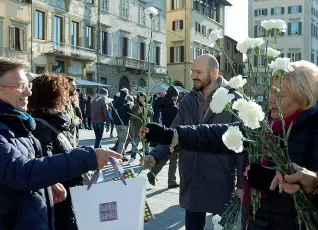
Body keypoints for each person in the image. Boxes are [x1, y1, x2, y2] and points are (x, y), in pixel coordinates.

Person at [141, 60, 318, 229]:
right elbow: (216, 135)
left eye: (279, 95)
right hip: (257, 222)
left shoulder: (313, 129)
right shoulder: (263, 127)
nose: (271, 99)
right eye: (271, 91)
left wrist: (310, 183)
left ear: (302, 99)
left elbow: (305, 187)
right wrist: (169, 135)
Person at [0, 57, 122, 229]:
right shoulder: (17, 125)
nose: (28, 92)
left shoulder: (18, 123)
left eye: (29, 85)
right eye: (20, 85)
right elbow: (22, 172)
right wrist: (87, 158)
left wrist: (46, 185)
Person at [144, 54, 245, 229]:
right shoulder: (188, 100)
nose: (193, 76)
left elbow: (242, 148)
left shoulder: (234, 100)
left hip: (219, 177)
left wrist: (242, 185)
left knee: (222, 225)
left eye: (198, 72)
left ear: (214, 72)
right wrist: (156, 154)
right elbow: (174, 133)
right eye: (192, 71)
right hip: (192, 176)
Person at [29, 74, 85, 230]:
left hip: (68, 197)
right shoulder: (41, 127)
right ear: (53, 97)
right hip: (59, 203)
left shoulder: (56, 122)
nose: (68, 100)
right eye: (65, 95)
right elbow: (47, 166)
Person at [147, 85, 179, 187]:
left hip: (160, 134)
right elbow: (177, 123)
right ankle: (171, 181)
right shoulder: (173, 108)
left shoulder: (158, 103)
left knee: (166, 156)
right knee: (173, 157)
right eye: (176, 96)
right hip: (170, 135)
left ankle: (153, 173)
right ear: (174, 96)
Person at [127, 92, 153, 165]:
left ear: (145, 98)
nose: (142, 99)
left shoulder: (148, 105)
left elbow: (151, 114)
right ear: (138, 98)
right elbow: (132, 117)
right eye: (140, 97)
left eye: (143, 97)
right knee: (135, 143)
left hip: (146, 128)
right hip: (137, 128)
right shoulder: (135, 106)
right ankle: (133, 157)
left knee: (146, 145)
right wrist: (138, 112)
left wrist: (146, 108)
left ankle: (147, 159)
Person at [113, 88, 132, 156]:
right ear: (126, 95)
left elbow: (112, 113)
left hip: (117, 123)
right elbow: (129, 114)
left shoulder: (115, 102)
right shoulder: (127, 103)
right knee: (122, 141)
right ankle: (118, 156)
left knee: (121, 139)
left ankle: (123, 155)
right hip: (125, 124)